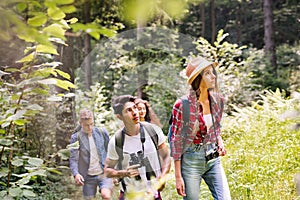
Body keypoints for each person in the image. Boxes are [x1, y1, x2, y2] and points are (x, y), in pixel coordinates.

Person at [170, 56, 231, 199]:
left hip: (213, 158)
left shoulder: (218, 100)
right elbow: (176, 141)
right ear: (198, 78)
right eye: (207, 73)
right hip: (191, 160)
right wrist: (178, 176)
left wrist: (219, 142)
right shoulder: (182, 105)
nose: (213, 76)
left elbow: (215, 127)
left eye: (213, 72)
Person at [104, 95, 171, 200]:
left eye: (135, 107)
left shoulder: (153, 131)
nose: (135, 112)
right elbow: (107, 170)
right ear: (119, 116)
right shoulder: (116, 141)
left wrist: (162, 177)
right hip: (129, 195)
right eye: (128, 110)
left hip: (152, 194)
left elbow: (166, 156)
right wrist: (124, 173)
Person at [69, 108, 112, 200]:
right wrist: (76, 174)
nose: (90, 128)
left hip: (103, 173)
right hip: (88, 176)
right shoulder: (76, 137)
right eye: (86, 125)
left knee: (106, 195)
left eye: (91, 124)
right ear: (81, 124)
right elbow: (73, 158)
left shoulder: (102, 132)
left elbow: (110, 151)